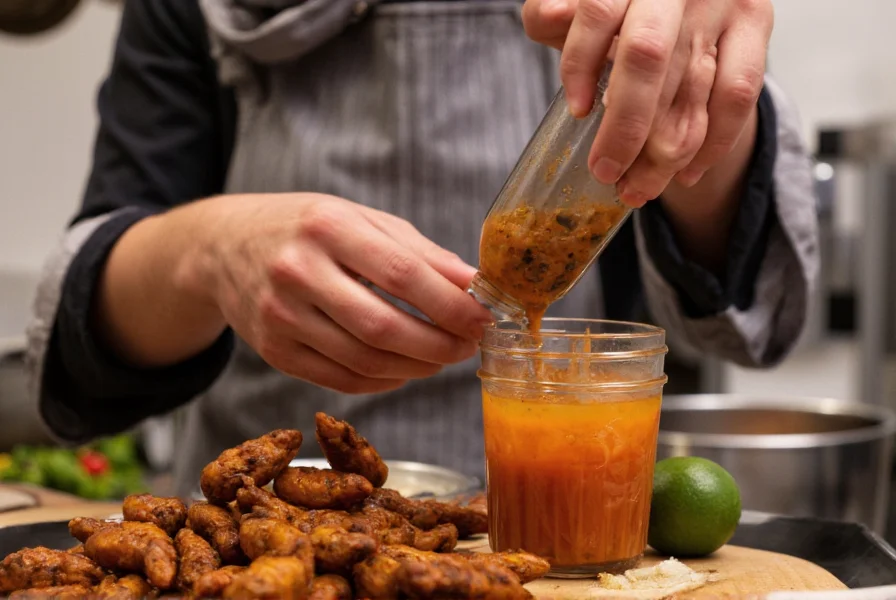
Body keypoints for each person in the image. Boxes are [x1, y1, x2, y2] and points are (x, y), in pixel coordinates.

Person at [26, 0, 817, 496]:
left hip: (562, 548)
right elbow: (81, 335)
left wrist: (702, 100)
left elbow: (742, 313)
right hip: (266, 538)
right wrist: (209, 251)